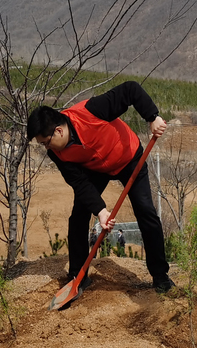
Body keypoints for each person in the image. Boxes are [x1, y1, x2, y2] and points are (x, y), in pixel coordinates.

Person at [28, 81, 172, 299]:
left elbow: (131, 89)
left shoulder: (91, 111)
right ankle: (78, 275)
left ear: (58, 131)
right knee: (78, 216)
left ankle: (160, 276)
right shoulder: (56, 153)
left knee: (146, 211)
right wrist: (101, 211)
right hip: (95, 168)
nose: (45, 148)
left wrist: (153, 117)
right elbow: (79, 183)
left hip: (128, 157)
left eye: (46, 142)